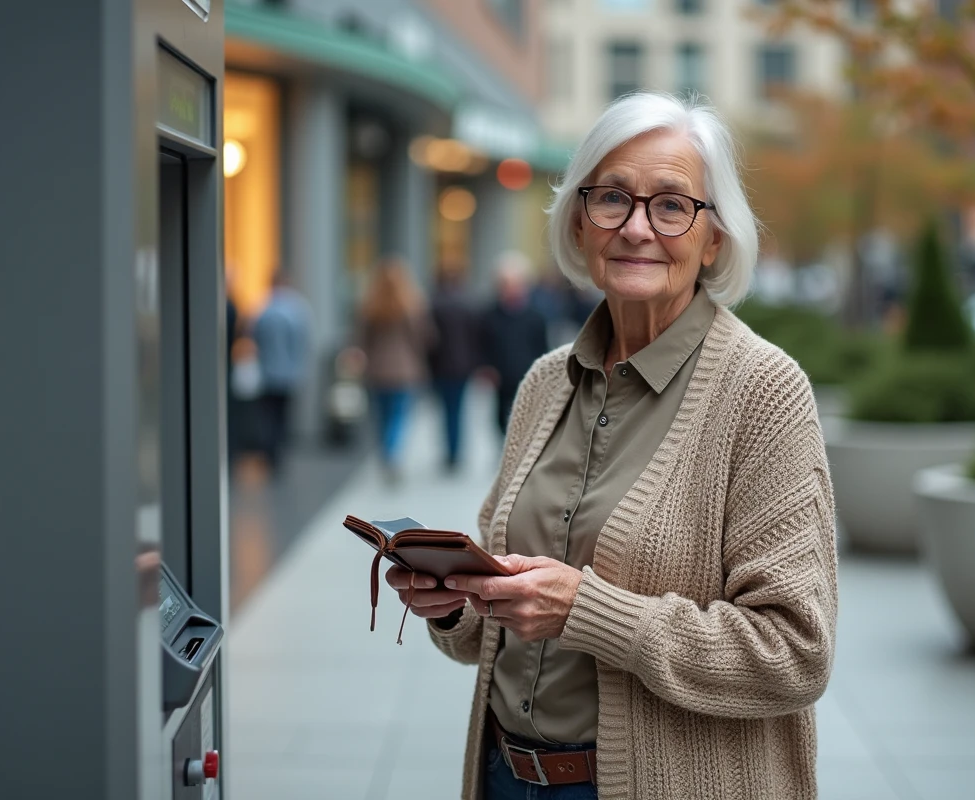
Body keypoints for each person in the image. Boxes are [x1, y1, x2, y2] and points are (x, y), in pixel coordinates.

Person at [386, 91, 838, 800]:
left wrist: (586, 612)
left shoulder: (764, 392)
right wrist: (452, 602)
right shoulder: (543, 384)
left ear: (713, 238)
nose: (635, 227)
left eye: (670, 204)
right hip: (507, 776)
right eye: (612, 199)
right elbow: (491, 623)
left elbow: (794, 654)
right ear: (578, 220)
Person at [358, 256, 435, 482]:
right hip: (404, 370)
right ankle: (393, 454)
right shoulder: (411, 305)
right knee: (398, 417)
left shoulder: (370, 306)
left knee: (382, 417)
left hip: (377, 371)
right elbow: (423, 338)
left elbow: (363, 340)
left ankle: (386, 454)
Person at [480, 252, 551, 437]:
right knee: (501, 420)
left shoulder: (535, 317)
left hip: (528, 375)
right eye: (505, 284)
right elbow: (483, 345)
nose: (510, 289)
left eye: (515, 284)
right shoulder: (490, 315)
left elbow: (543, 347)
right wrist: (486, 368)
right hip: (501, 378)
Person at [251, 270, 311, 471]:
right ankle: (279, 452)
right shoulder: (297, 309)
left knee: (268, 415)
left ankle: (271, 452)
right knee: (283, 414)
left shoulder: (263, 308)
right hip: (290, 372)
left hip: (267, 371)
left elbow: (254, 336)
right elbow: (303, 341)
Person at [428, 265, 483, 472]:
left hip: (441, 367)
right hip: (462, 366)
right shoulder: (468, 305)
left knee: (445, 410)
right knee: (458, 410)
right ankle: (456, 452)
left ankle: (449, 452)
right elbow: (476, 338)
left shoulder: (434, 305)